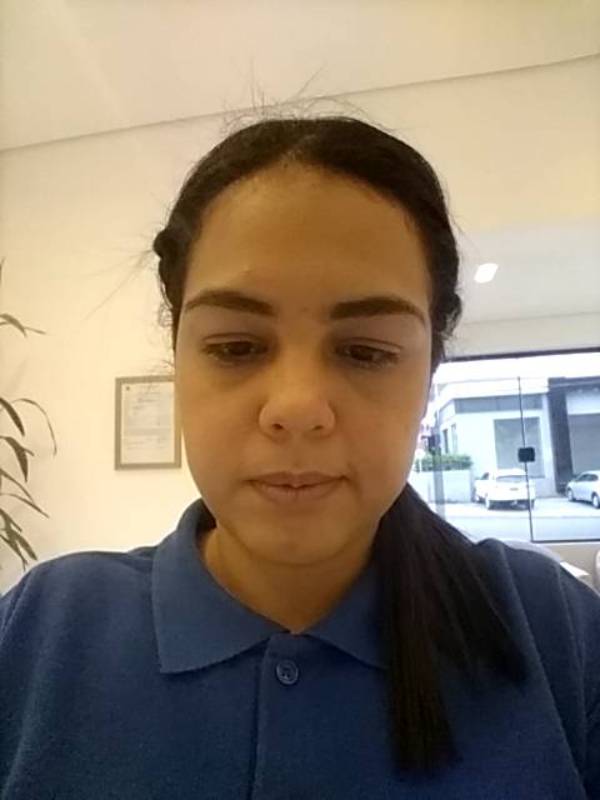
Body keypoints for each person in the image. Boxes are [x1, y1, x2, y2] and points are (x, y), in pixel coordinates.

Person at [1, 116, 598, 799]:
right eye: (236, 347)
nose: (297, 407)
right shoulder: (42, 630)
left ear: (429, 370)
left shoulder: (553, 633)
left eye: (366, 352)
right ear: (178, 359)